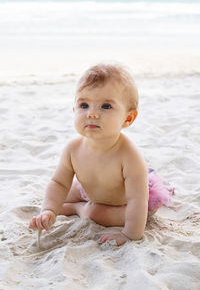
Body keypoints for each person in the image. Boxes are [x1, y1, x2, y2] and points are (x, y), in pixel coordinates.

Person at [29, 63, 173, 246]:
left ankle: (77, 208)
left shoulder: (129, 155)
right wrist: (48, 209)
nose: (92, 114)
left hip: (124, 202)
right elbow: (58, 182)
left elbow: (137, 200)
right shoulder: (73, 148)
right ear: (74, 109)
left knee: (96, 213)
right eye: (84, 105)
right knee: (63, 191)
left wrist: (129, 234)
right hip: (90, 188)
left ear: (128, 118)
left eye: (105, 106)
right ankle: (58, 210)